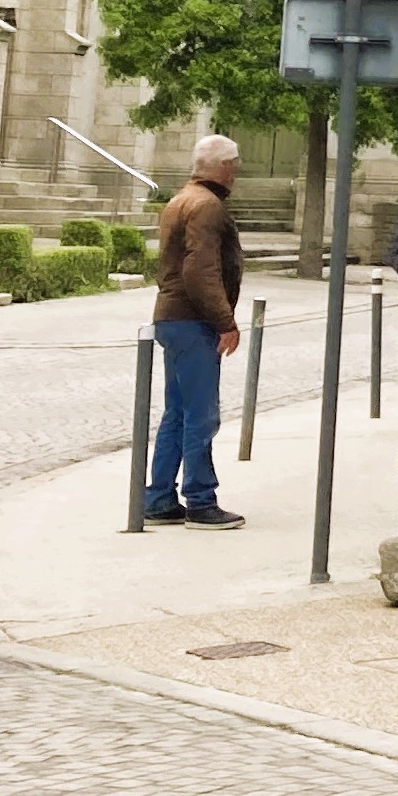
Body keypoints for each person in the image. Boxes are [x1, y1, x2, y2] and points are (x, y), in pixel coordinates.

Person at [146, 133, 248, 528]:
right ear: (225, 167)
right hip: (193, 321)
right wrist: (225, 321)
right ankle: (201, 500)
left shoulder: (181, 199)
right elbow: (199, 269)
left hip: (173, 318)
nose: (236, 174)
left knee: (178, 412)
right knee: (201, 414)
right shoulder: (207, 206)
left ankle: (158, 499)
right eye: (234, 166)